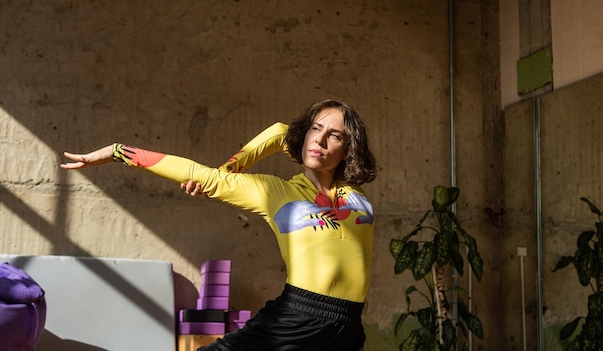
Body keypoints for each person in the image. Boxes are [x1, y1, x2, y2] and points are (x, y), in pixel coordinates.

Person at [61, 99, 378, 351]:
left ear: (349, 148)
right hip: (297, 317)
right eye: (315, 129)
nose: (320, 139)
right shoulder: (274, 192)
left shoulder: (354, 193)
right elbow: (201, 172)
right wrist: (118, 152)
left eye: (333, 135)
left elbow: (282, 132)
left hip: (347, 327)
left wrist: (236, 165)